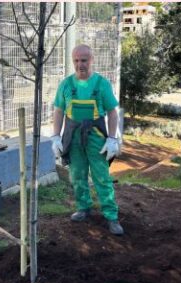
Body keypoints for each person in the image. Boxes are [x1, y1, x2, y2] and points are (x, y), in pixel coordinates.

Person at [51, 44, 124, 235]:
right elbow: (59, 111)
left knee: (102, 176)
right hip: (73, 136)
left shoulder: (101, 84)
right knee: (77, 175)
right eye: (76, 60)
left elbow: (112, 112)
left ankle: (111, 215)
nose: (80, 64)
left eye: (83, 60)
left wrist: (112, 138)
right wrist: (56, 136)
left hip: (96, 136)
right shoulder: (66, 85)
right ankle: (83, 207)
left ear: (91, 60)